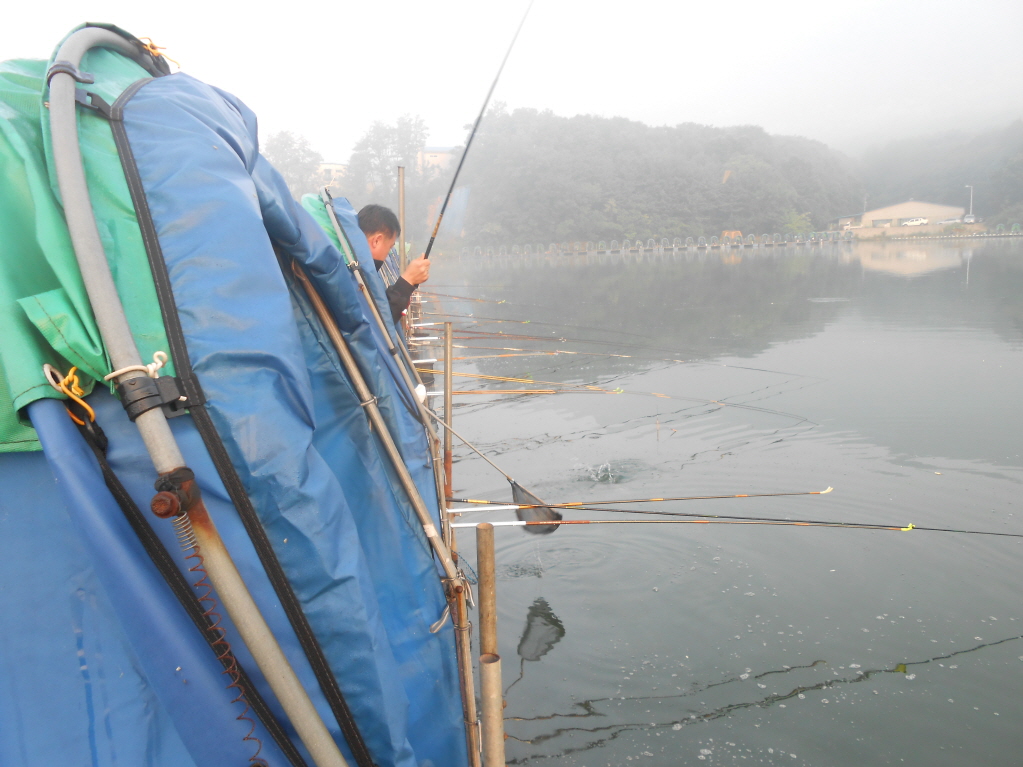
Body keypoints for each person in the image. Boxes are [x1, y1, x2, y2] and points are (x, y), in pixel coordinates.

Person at [357, 204, 430, 325]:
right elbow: (377, 324)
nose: (388, 254)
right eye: (389, 247)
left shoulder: (354, 267)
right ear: (376, 241)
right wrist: (407, 281)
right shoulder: (354, 277)